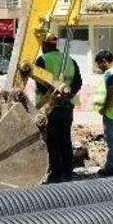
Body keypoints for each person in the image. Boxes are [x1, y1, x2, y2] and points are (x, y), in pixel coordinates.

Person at [34, 33, 83, 182]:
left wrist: (52, 98)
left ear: (44, 45)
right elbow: (78, 82)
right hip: (67, 106)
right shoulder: (70, 60)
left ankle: (55, 173)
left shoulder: (42, 60)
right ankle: (67, 172)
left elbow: (40, 84)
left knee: (53, 140)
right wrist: (67, 95)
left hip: (49, 106)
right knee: (65, 138)